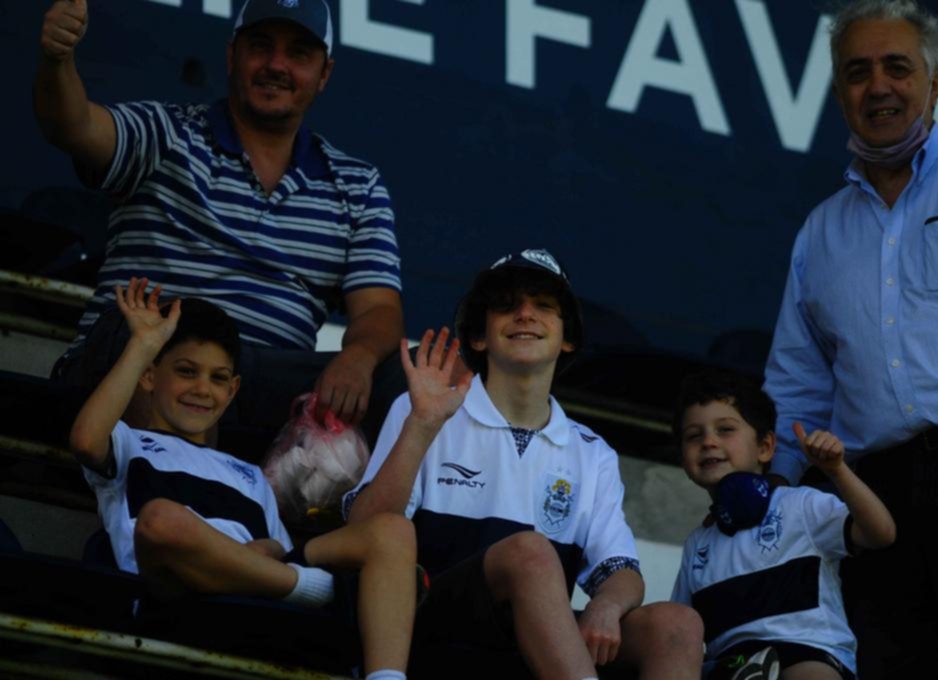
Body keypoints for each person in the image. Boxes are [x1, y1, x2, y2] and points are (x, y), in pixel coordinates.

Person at [763, 0, 938, 677]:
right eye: (857, 71)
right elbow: (797, 386)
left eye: (897, 67)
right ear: (838, 92)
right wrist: (764, 500)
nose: (877, 86)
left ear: (935, 84)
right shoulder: (820, 232)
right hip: (876, 503)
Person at [35, 0, 403, 439]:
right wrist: (58, 60)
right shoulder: (167, 133)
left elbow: (379, 310)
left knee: (400, 377)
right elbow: (72, 126)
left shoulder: (358, 185)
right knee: (140, 332)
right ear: (232, 56)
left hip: (251, 389)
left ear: (325, 74)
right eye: (261, 46)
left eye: (299, 54)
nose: (276, 65)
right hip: (140, 364)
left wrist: (358, 358)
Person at [344, 249, 704, 679]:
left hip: (535, 645)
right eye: (507, 305)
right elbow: (364, 529)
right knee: (530, 551)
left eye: (544, 306)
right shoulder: (424, 407)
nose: (525, 315)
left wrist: (606, 606)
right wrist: (422, 424)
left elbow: (622, 571)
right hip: (424, 628)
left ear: (567, 338)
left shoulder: (592, 452)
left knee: (678, 625)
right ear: (479, 337)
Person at [68, 276, 416, 680]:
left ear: (233, 391)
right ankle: (320, 589)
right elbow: (84, 440)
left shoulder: (250, 473)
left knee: (392, 531)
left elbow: (277, 546)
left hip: (255, 598)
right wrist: (143, 344)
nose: (202, 389)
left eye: (218, 379)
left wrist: (267, 551)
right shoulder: (129, 442)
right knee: (161, 519)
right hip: (172, 594)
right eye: (186, 371)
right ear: (148, 376)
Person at [670, 369, 895, 680]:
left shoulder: (800, 505)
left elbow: (880, 533)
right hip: (731, 666)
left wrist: (837, 471)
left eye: (725, 430)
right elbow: (680, 630)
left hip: (806, 652)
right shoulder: (698, 543)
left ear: (766, 447)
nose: (709, 441)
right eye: (694, 435)